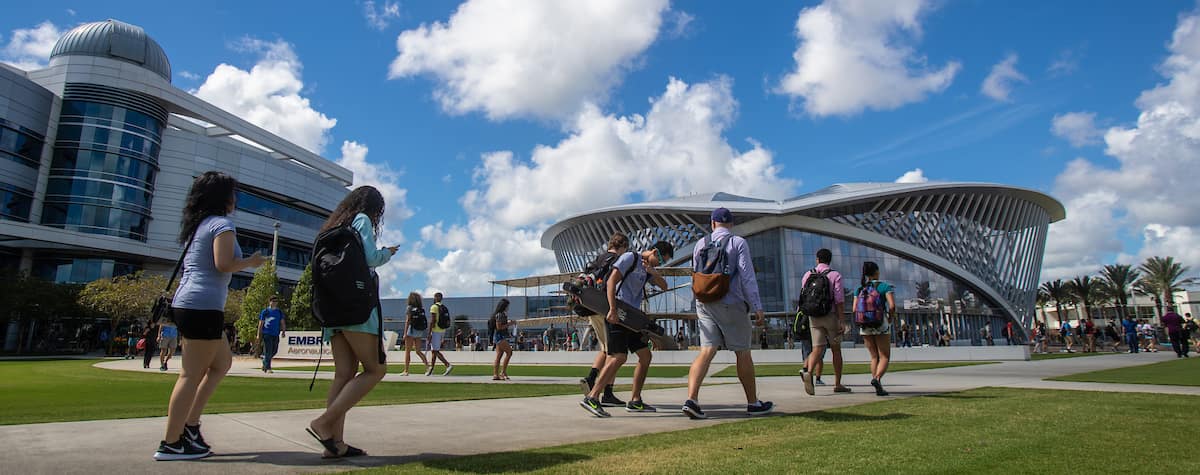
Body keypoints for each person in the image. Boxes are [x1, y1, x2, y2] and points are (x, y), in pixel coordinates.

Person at [154, 171, 268, 461]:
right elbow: (223, 264)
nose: (235, 199)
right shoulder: (221, 224)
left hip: (193, 303)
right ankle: (171, 442)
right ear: (224, 197)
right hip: (201, 305)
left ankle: (190, 425)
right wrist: (251, 262)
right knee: (191, 374)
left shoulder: (198, 226)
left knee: (222, 362)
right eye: (233, 193)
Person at [306, 186, 397, 459]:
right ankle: (323, 423)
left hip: (332, 310)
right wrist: (387, 253)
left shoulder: (333, 225)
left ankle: (334, 443)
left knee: (343, 374)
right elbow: (370, 257)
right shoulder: (362, 220)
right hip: (356, 309)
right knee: (375, 369)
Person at [680, 207, 773, 419]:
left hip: (704, 302)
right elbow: (747, 276)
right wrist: (757, 306)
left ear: (712, 224)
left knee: (706, 351)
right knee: (742, 352)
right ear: (731, 224)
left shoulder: (700, 244)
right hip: (731, 302)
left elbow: (696, 273)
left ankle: (691, 399)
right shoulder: (737, 243)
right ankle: (753, 403)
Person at [580, 240, 675, 417]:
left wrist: (653, 272)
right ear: (654, 251)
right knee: (619, 357)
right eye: (660, 259)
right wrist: (613, 309)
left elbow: (664, 286)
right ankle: (592, 397)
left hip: (631, 318)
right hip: (617, 313)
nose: (660, 263)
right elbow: (611, 282)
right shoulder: (630, 258)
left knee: (645, 356)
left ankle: (635, 400)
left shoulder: (648, 268)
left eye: (663, 262)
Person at [579, 233, 629, 407]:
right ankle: (607, 393)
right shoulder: (616, 260)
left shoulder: (598, 259)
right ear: (622, 247)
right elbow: (611, 284)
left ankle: (591, 378)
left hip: (590, 307)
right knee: (614, 353)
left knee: (605, 348)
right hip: (604, 308)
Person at [800, 248, 850, 395]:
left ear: (817, 259)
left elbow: (803, 296)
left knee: (817, 348)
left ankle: (809, 372)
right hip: (831, 315)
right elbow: (839, 300)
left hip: (814, 316)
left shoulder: (808, 274)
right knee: (836, 349)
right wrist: (842, 320)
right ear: (830, 260)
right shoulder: (835, 275)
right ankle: (838, 383)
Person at [854, 261, 896, 396]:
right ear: (877, 271)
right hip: (880, 322)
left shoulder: (860, 289)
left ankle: (876, 383)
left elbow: (855, 309)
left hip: (865, 324)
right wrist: (890, 317)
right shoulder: (884, 286)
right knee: (884, 356)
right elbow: (892, 305)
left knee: (873, 357)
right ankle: (877, 379)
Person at [402, 292, 431, 376]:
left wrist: (405, 333)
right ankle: (428, 366)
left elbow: (408, 321)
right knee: (418, 351)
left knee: (407, 351)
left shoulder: (409, 308)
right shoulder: (420, 308)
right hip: (418, 331)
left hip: (411, 330)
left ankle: (406, 370)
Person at [427, 292, 454, 375]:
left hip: (436, 331)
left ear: (435, 298)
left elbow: (433, 321)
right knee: (434, 351)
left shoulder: (434, 307)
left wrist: (429, 333)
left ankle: (447, 365)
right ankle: (431, 369)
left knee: (435, 351)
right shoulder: (444, 307)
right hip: (442, 330)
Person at [257, 296, 286, 373]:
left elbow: (282, 322)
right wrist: (258, 334)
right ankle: (268, 367)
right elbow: (261, 323)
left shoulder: (279, 312)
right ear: (270, 302)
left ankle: (265, 361)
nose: (275, 303)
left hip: (276, 334)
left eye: (276, 301)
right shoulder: (265, 311)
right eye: (273, 301)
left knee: (274, 350)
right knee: (268, 351)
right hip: (267, 333)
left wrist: (283, 331)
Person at [491, 299, 514, 380]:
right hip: (500, 336)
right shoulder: (500, 315)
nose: (508, 307)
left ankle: (496, 374)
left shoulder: (501, 314)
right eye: (507, 306)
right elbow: (499, 327)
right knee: (509, 352)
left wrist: (507, 322)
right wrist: (509, 324)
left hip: (499, 336)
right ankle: (502, 372)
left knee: (499, 356)